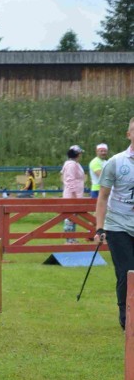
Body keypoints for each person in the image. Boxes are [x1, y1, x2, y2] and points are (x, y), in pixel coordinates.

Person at [92, 119, 134, 331]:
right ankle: (125, 313)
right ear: (128, 134)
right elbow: (103, 197)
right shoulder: (116, 162)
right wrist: (100, 228)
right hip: (118, 225)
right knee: (127, 271)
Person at [62, 145, 85, 243]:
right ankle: (69, 239)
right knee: (70, 218)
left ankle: (72, 237)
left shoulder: (74, 164)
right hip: (72, 195)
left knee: (74, 217)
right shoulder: (71, 164)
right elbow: (70, 180)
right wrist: (74, 195)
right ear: (78, 154)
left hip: (76, 194)